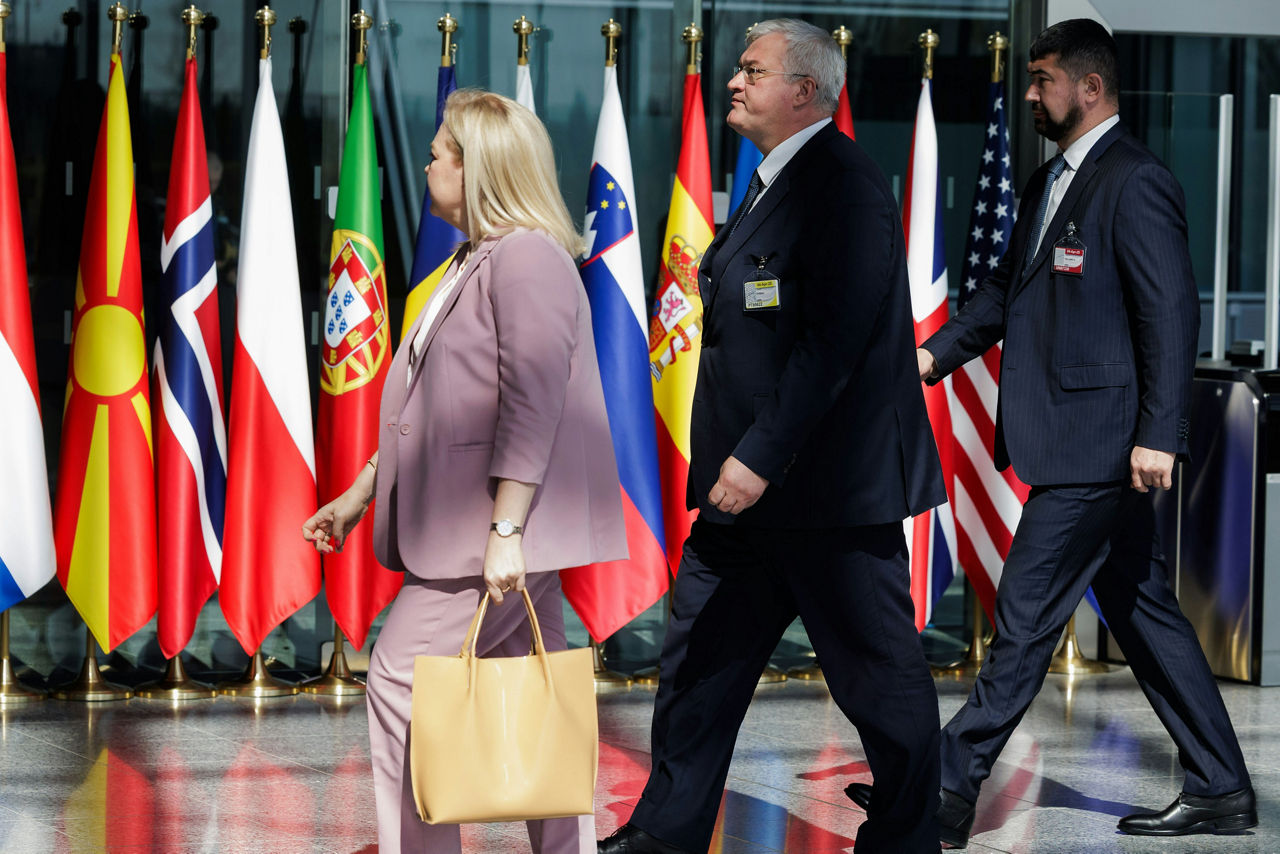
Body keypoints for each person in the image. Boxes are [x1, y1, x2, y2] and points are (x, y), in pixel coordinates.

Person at [845, 18, 1255, 848]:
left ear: (1090, 87)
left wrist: (1161, 435)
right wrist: (932, 357)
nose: (1029, 96)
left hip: (1099, 448)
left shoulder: (1134, 181)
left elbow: (1171, 314)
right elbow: (1003, 293)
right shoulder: (1047, 185)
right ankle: (1221, 785)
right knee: (1145, 617)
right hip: (1071, 440)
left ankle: (945, 790)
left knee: (1025, 620)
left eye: (1041, 82)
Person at [598, 18, 947, 854]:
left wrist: (757, 455)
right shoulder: (768, 179)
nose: (733, 82)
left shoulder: (844, 184)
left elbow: (832, 344)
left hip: (826, 495)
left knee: (879, 683)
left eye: (752, 71)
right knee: (696, 670)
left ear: (805, 91)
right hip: (745, 501)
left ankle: (905, 837)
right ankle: (666, 833)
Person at [303, 88, 628, 854]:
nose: (428, 162)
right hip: (487, 527)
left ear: (477, 167)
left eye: (440, 152)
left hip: (489, 530)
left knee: (398, 683)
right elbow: (441, 405)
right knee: (538, 698)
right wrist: (361, 491)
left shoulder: (524, 259)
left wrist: (506, 530)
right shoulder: (475, 257)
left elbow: (532, 404)